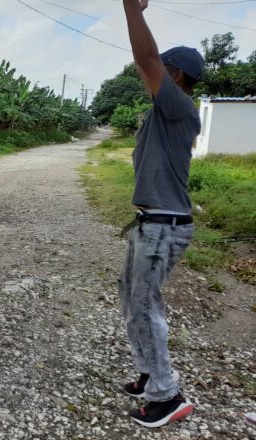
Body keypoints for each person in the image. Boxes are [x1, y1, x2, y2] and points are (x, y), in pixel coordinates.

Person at [118, 0, 204, 428]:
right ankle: (151, 374)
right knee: (132, 301)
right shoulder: (163, 112)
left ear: (175, 76)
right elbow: (146, 61)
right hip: (150, 222)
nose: (147, 73)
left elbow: (144, 56)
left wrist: (131, 8)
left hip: (164, 226)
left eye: (160, 68)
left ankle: (168, 397)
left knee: (145, 305)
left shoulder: (178, 107)